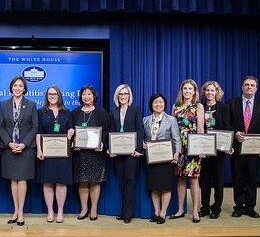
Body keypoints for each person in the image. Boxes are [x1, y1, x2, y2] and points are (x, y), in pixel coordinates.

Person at [227, 75, 260, 219]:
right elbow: (226, 124)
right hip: (237, 149)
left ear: (256, 88)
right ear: (242, 87)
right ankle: (239, 207)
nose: (249, 87)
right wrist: (235, 133)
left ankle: (251, 207)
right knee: (238, 178)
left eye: (252, 85)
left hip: (256, 150)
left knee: (252, 179)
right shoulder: (231, 103)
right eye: (246, 85)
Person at [0, 76, 38, 226]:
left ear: (24, 88)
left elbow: (34, 127)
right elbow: (0, 126)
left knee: (22, 180)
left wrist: (24, 144)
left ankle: (21, 212)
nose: (17, 88)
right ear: (11, 87)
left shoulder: (32, 104)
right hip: (9, 148)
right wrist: (9, 143)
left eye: (20, 86)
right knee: (13, 179)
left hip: (25, 149)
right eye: (15, 85)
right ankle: (15, 210)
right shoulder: (4, 104)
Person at [71, 84, 110, 221]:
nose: (86, 96)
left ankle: (93, 209)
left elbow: (106, 132)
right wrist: (72, 143)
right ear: (80, 96)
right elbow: (70, 130)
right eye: (84, 94)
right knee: (82, 181)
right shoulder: (75, 112)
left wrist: (103, 144)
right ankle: (84, 209)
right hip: (80, 153)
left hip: (96, 154)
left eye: (89, 94)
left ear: (94, 96)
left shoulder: (101, 113)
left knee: (94, 181)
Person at [35, 85, 74, 224]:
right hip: (47, 153)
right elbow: (38, 132)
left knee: (61, 182)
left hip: (63, 153)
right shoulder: (40, 112)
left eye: (55, 94)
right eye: (50, 94)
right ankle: (50, 211)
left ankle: (61, 211)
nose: (52, 96)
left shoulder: (67, 112)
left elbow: (71, 128)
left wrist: (71, 131)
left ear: (59, 96)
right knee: (48, 182)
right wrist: (39, 149)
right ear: (46, 96)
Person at [143, 93, 181, 225]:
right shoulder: (145, 120)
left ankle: (163, 213)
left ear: (164, 104)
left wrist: (177, 153)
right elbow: (144, 138)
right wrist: (143, 144)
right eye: (155, 102)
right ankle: (156, 212)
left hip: (167, 159)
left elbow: (176, 139)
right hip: (151, 159)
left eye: (161, 102)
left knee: (165, 187)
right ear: (151, 105)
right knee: (154, 187)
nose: (158, 104)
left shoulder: (171, 120)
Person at [170, 79, 205, 223]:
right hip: (179, 147)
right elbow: (171, 128)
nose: (187, 91)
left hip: (193, 146)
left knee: (194, 179)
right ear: (181, 90)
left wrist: (200, 148)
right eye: (185, 88)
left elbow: (201, 129)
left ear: (194, 91)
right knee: (180, 178)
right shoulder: (175, 106)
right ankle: (180, 209)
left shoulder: (199, 106)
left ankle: (195, 211)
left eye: (190, 89)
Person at [109, 84, 144, 224]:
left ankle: (128, 213)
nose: (123, 96)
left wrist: (138, 149)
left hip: (131, 153)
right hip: (118, 152)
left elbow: (140, 130)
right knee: (122, 182)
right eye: (120, 94)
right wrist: (111, 148)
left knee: (130, 181)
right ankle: (123, 211)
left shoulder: (135, 110)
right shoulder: (113, 111)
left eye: (126, 94)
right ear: (117, 96)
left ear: (129, 96)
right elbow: (111, 131)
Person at [199, 81, 232, 219]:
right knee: (204, 180)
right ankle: (205, 207)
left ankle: (216, 207)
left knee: (218, 180)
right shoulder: (200, 107)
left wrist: (228, 146)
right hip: (204, 148)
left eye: (212, 91)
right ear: (204, 92)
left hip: (219, 149)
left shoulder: (223, 107)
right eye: (207, 90)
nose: (209, 93)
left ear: (217, 92)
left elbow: (227, 127)